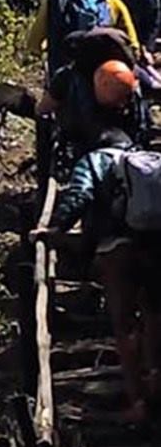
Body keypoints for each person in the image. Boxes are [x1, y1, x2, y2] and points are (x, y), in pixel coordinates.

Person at [35, 127, 161, 424]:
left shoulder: (94, 161)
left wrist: (56, 229)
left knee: (124, 324)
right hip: (154, 243)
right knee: (155, 313)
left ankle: (139, 403)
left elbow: (79, 194)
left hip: (115, 248)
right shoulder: (146, 162)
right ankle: (156, 375)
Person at [27, 0, 140, 71]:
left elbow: (34, 41)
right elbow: (132, 41)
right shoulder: (113, 1)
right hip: (105, 64)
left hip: (72, 62)